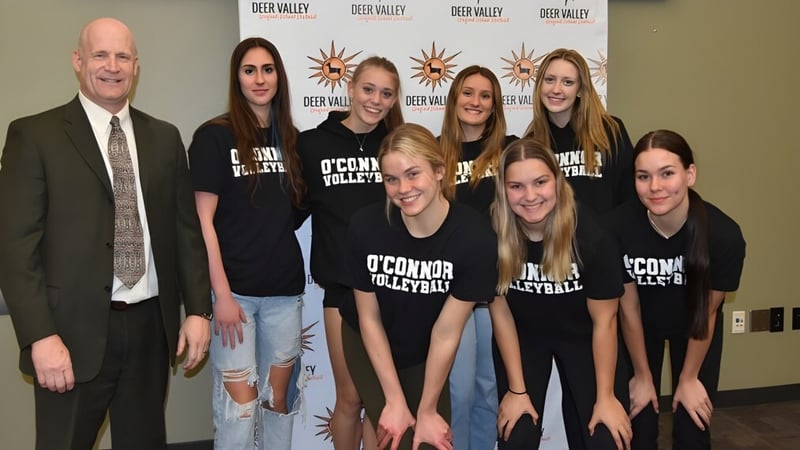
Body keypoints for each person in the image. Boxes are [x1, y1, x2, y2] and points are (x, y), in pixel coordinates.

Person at [0, 17, 211, 450]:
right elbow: (15, 248)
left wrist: (197, 311)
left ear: (136, 66)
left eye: (123, 56)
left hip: (152, 328)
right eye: (100, 54)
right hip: (69, 336)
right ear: (78, 62)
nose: (112, 66)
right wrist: (40, 336)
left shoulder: (164, 138)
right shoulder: (33, 136)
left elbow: (185, 232)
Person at [341, 123, 498, 450]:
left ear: (440, 170)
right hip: (369, 338)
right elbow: (369, 317)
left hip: (424, 347)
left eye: (413, 174)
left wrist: (426, 410)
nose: (403, 188)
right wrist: (394, 400)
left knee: (429, 439)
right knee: (395, 434)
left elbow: (446, 331)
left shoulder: (474, 236)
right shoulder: (365, 226)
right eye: (391, 179)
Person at [188, 37, 305, 449]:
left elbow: (291, 214)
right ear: (237, 78)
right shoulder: (214, 137)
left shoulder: (290, 139)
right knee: (239, 409)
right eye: (249, 70)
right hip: (233, 297)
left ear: (279, 77)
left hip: (284, 295)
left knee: (279, 403)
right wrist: (219, 294)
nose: (260, 79)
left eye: (268, 70)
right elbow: (203, 222)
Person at [489, 139, 632, 450]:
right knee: (518, 435)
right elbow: (500, 313)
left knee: (605, 438)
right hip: (524, 339)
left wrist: (606, 397)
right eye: (516, 186)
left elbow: (605, 322)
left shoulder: (592, 237)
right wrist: (516, 391)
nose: (530, 196)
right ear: (503, 189)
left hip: (585, 338)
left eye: (540, 182)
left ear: (557, 179)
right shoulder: (493, 235)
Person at [607, 130, 745, 449]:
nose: (655, 187)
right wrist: (642, 376)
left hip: (695, 328)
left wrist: (688, 378)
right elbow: (628, 309)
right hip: (639, 330)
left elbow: (707, 311)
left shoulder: (723, 235)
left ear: (690, 174)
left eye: (667, 173)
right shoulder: (615, 228)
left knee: (692, 424)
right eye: (644, 176)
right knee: (637, 425)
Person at [298, 56, 404, 450]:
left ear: (394, 100)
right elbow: (293, 208)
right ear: (351, 88)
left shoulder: (398, 145)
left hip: (393, 288)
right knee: (350, 397)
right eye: (368, 89)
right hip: (341, 292)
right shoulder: (311, 144)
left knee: (382, 401)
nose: (375, 100)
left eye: (386, 93)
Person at [438, 65, 517, 450]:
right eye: (468, 93)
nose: (475, 102)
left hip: (496, 289)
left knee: (489, 389)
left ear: (495, 106)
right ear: (454, 99)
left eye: (485, 96)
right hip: (451, 292)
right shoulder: (435, 152)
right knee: (459, 391)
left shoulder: (510, 151)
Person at [524, 48, 635, 214]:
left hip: (605, 239)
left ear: (581, 90)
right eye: (549, 80)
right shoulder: (531, 143)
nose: (556, 89)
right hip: (555, 239)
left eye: (567, 82)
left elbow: (629, 194)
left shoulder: (610, 130)